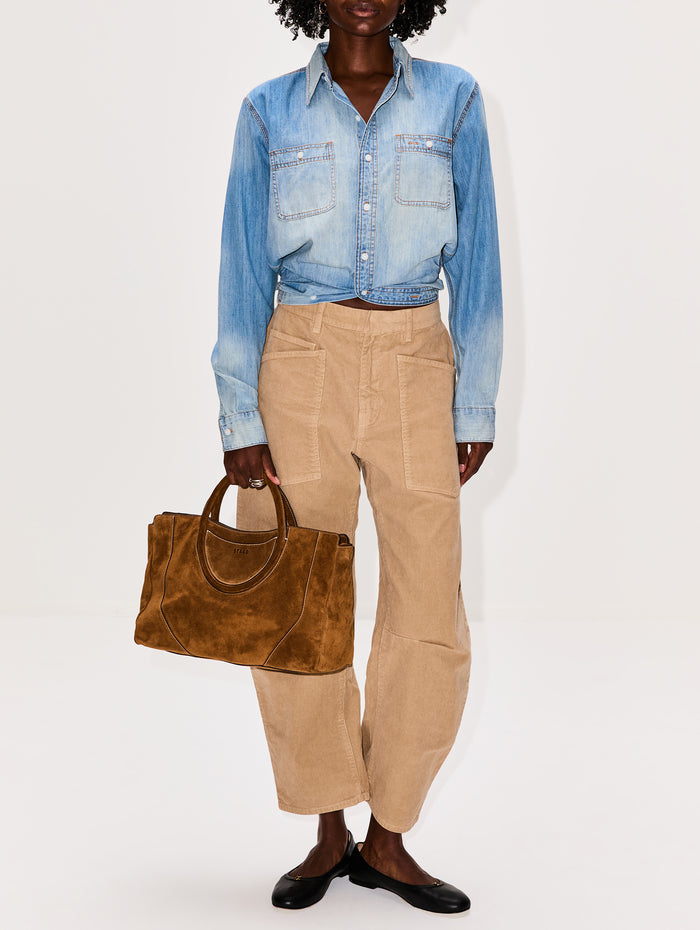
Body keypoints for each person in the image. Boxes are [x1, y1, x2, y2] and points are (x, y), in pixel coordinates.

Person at [210, 0, 502, 914]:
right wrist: (239, 414)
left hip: (417, 360)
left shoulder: (454, 99)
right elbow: (241, 265)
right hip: (299, 361)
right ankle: (329, 827)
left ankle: (389, 837)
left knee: (429, 609)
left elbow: (480, 260)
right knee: (295, 604)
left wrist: (475, 398)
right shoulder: (269, 110)